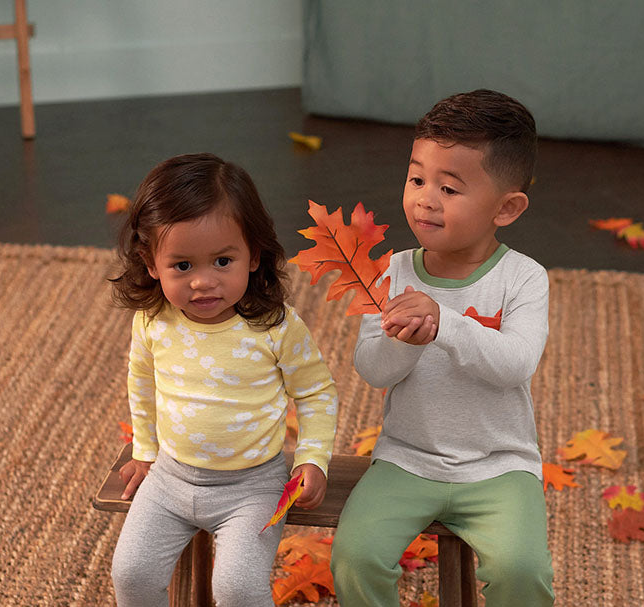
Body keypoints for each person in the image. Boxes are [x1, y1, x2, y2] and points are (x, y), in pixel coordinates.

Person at [330, 90, 554, 606]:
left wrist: (443, 324)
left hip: (499, 466)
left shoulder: (523, 278)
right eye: (416, 179)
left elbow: (515, 364)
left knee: (522, 570)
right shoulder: (390, 271)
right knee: (355, 556)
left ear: (507, 208)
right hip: (406, 459)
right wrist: (405, 343)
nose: (425, 198)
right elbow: (373, 371)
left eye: (449, 188)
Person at [108, 153, 338, 607]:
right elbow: (142, 381)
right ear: (150, 262)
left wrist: (313, 458)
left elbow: (316, 392)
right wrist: (146, 451)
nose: (203, 283)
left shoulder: (275, 325)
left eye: (222, 261)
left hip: (254, 488)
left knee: (236, 589)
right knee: (130, 573)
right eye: (183, 266)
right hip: (170, 479)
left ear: (253, 255)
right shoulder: (153, 319)